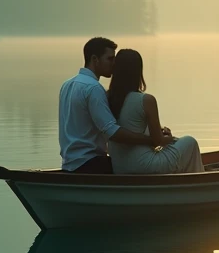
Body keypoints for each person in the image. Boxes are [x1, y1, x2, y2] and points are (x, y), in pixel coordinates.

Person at [59, 37, 170, 174]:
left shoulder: (67, 85)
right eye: (110, 59)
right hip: (91, 164)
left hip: (69, 164)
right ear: (95, 59)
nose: (114, 64)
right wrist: (153, 140)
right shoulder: (94, 88)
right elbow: (112, 132)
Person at [107, 48, 204, 174]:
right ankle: (197, 181)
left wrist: (159, 133)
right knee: (190, 142)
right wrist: (168, 138)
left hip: (120, 167)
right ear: (138, 71)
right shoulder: (146, 100)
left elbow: (131, 127)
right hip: (145, 167)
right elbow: (158, 141)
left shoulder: (107, 97)